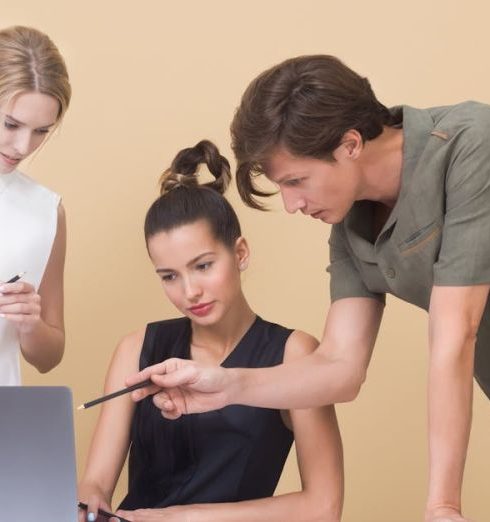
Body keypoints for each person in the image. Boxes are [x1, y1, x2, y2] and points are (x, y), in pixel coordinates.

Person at [127, 56, 490, 522]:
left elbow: (455, 333)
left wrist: (442, 506)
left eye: (296, 181)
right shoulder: (349, 221)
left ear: (351, 144)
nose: (293, 205)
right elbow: (340, 368)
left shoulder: (470, 145)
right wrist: (226, 384)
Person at [78, 140, 343, 522]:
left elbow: (323, 507)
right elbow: (95, 485)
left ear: (240, 253)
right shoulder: (137, 349)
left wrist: (177, 518)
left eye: (202, 266)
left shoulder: (294, 354)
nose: (189, 292)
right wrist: (88, 507)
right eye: (169, 276)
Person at [0, 26, 71, 383]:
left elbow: (49, 356)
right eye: (11, 124)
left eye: (41, 131)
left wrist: (30, 324)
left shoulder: (46, 212)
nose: (22, 147)